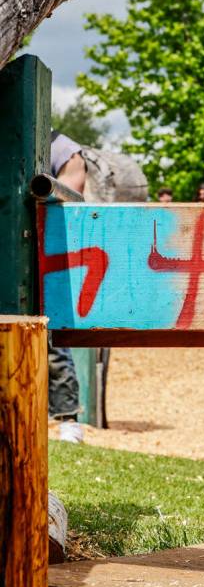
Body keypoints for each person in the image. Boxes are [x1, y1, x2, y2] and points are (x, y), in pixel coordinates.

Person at [48, 132, 85, 431]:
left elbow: (73, 201)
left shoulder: (64, 150)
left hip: (50, 257)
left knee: (52, 339)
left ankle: (66, 419)